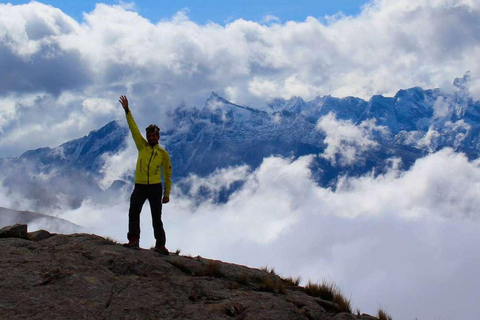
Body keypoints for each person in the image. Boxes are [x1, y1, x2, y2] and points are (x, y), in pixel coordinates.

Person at [119, 95, 172, 255]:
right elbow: (133, 129)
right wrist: (127, 110)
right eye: (149, 136)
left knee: (157, 217)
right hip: (140, 186)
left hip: (155, 188)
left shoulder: (163, 154)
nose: (151, 138)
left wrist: (167, 194)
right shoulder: (142, 146)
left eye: (154, 136)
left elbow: (168, 175)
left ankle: (160, 245)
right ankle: (133, 240)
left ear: (158, 137)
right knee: (134, 212)